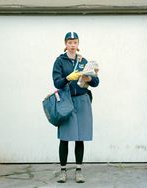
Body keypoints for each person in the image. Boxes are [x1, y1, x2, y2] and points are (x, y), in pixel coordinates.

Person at [52, 32, 99, 183]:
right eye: (70, 42)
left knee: (80, 137)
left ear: (78, 44)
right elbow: (56, 82)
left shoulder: (83, 61)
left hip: (82, 100)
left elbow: (96, 83)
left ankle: (79, 170)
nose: (72, 45)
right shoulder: (60, 61)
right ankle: (63, 171)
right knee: (65, 137)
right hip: (66, 101)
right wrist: (67, 78)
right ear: (65, 44)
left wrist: (90, 78)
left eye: (75, 42)